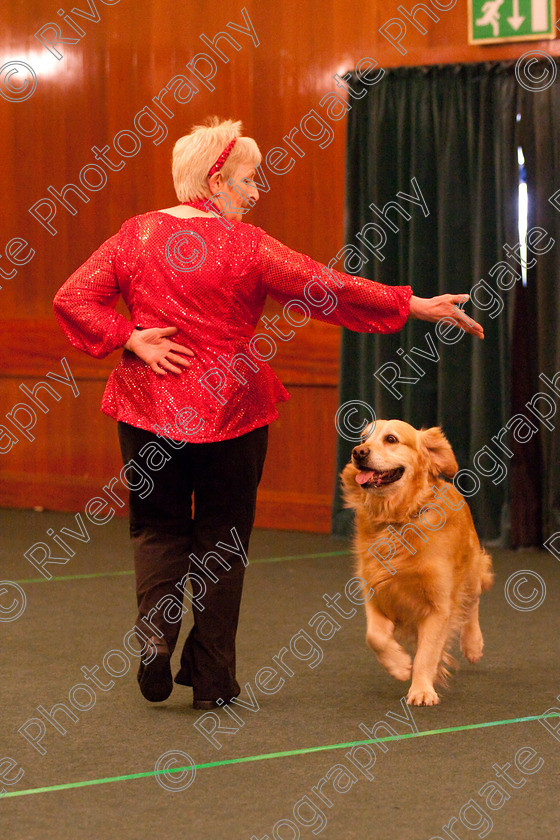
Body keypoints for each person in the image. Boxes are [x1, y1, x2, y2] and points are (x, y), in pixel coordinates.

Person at [53, 116, 483, 711]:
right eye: (250, 180)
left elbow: (72, 297)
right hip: (235, 410)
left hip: (148, 405)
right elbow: (327, 286)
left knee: (157, 530)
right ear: (215, 180)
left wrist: (132, 338)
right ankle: (212, 679)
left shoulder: (134, 236)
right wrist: (414, 304)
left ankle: (155, 639)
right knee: (223, 541)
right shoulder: (250, 246)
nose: (256, 193)